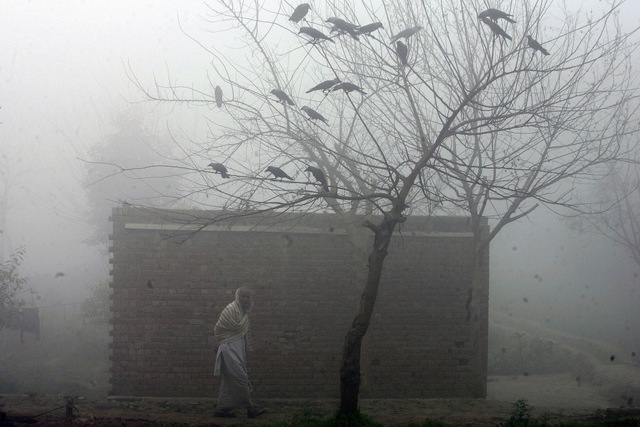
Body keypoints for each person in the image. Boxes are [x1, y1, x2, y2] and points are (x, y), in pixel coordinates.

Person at [213, 287, 265, 418]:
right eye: (243, 296)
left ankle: (221, 409)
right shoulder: (230, 309)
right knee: (241, 377)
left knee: (229, 380)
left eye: (248, 297)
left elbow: (242, 333)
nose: (245, 299)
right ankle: (250, 408)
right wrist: (226, 340)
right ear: (238, 296)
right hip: (228, 349)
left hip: (237, 350)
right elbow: (218, 329)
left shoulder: (244, 313)